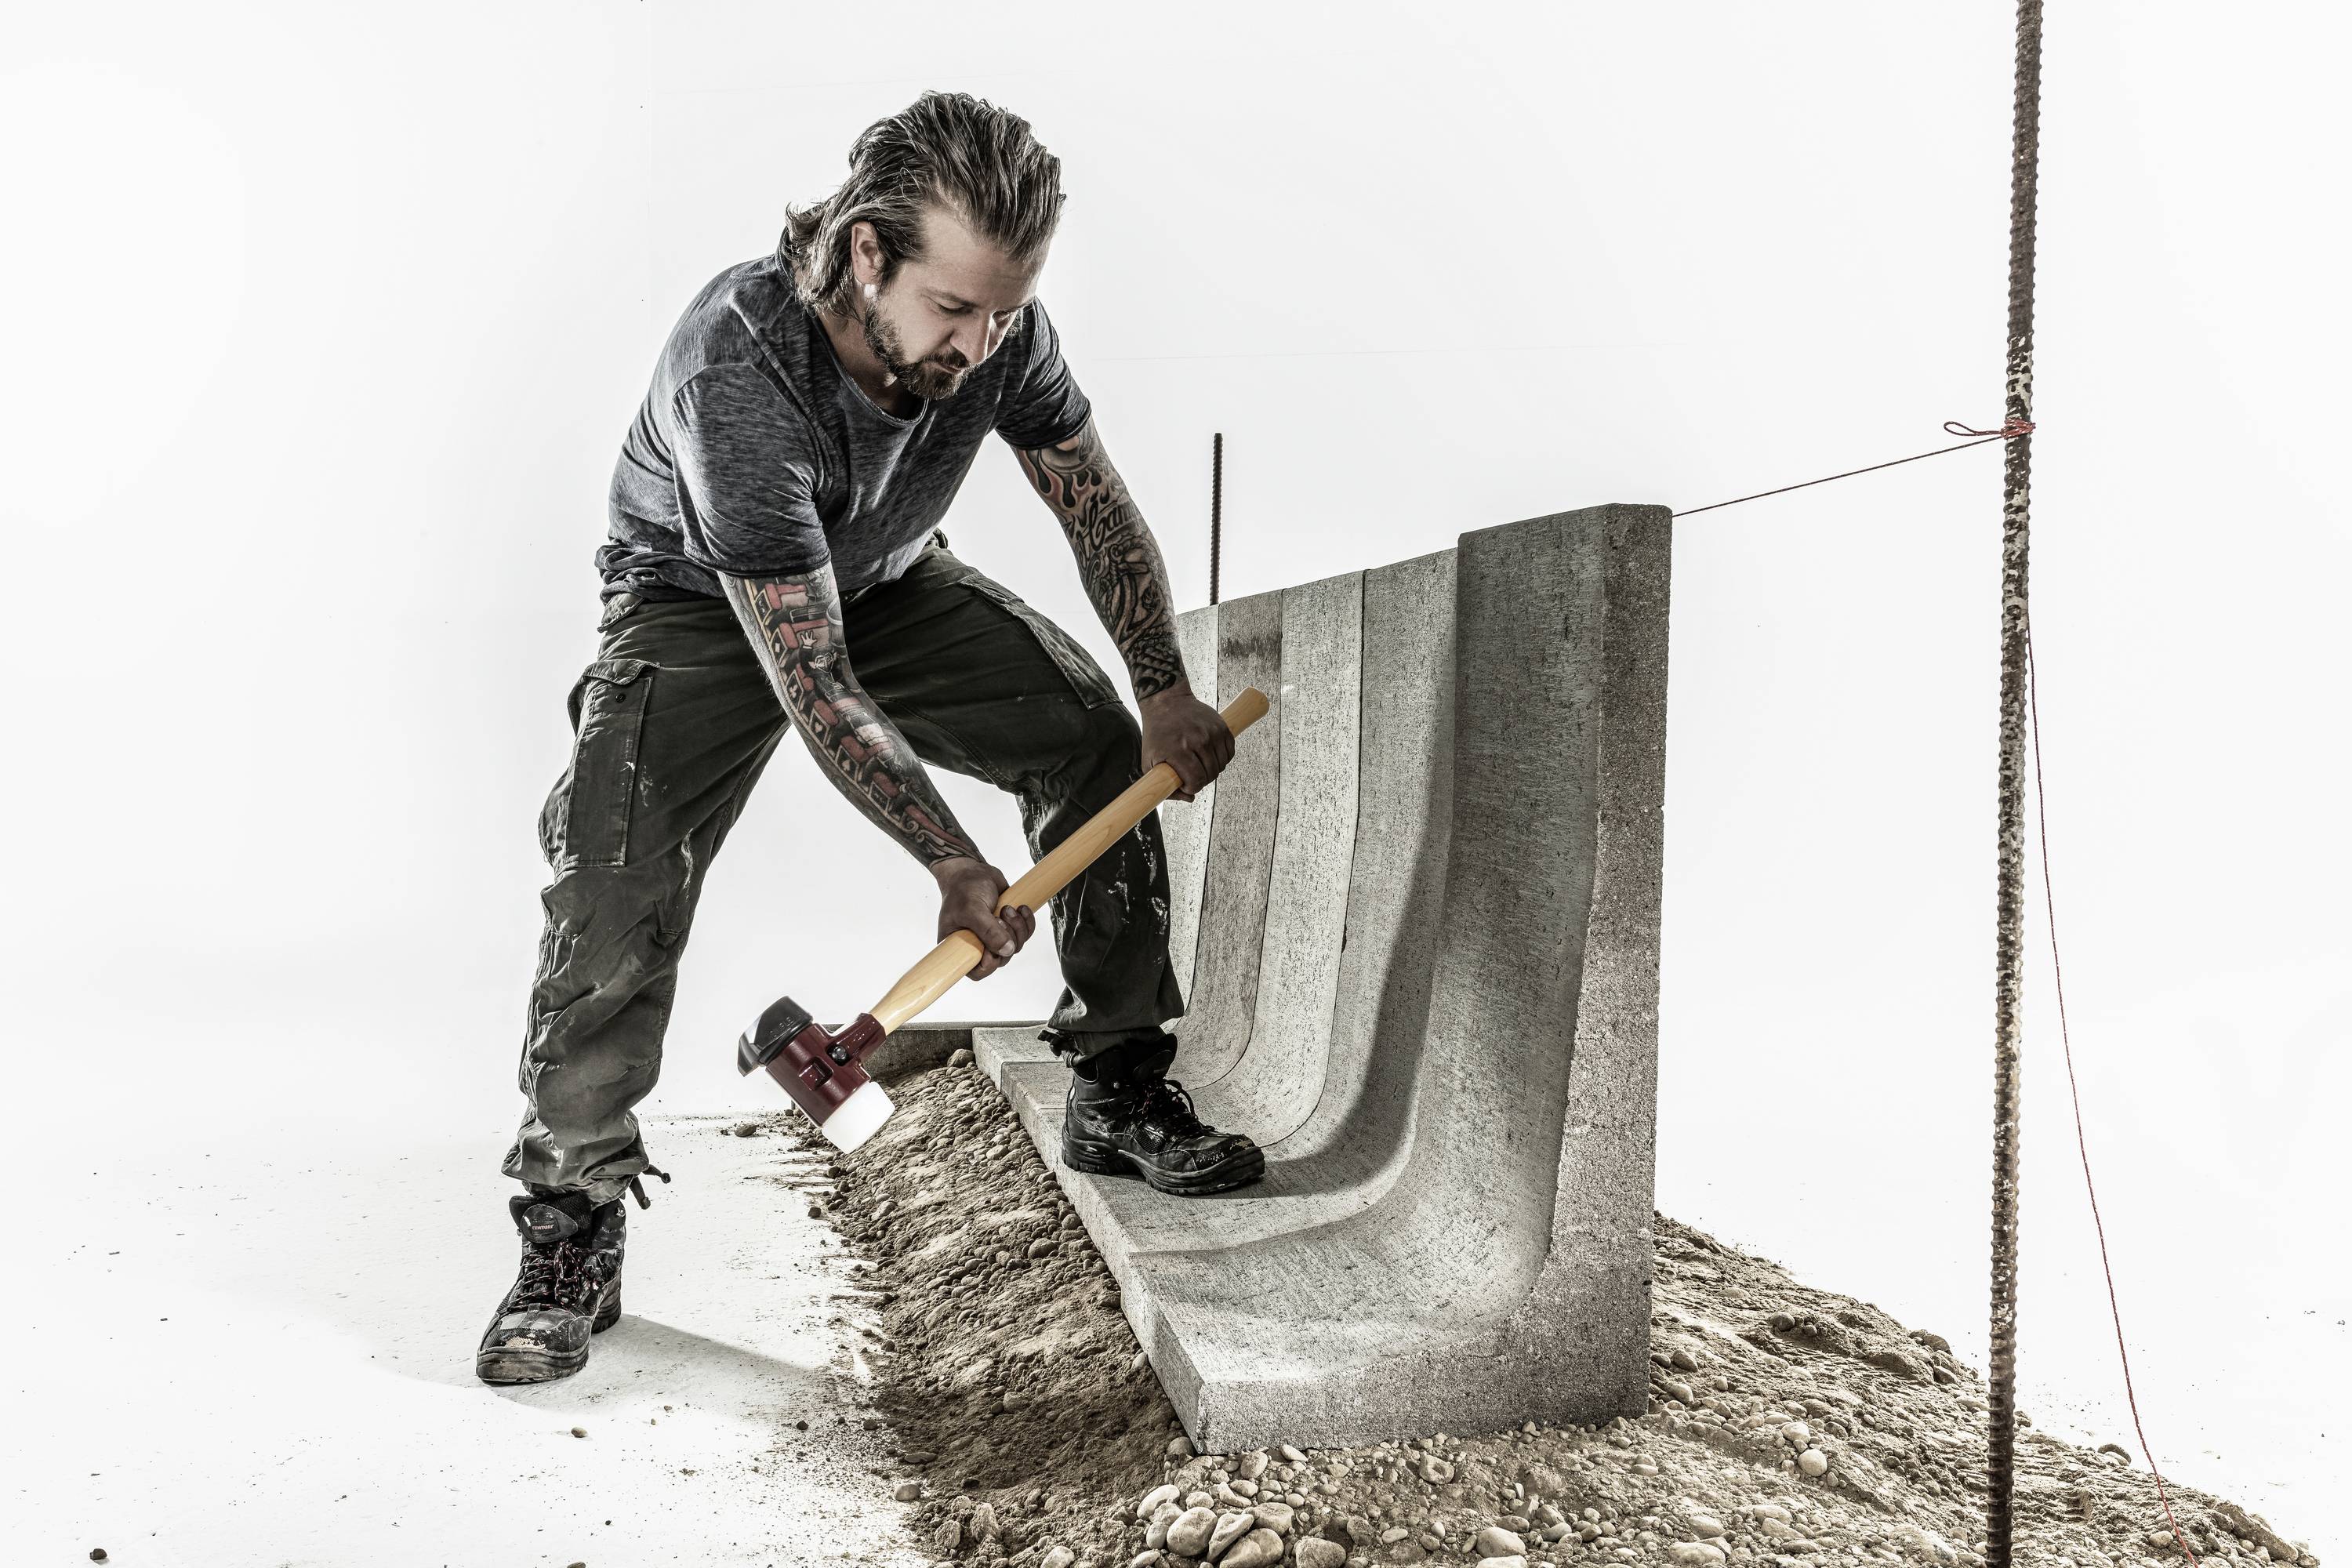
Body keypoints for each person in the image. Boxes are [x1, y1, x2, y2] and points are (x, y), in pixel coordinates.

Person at [477, 92, 1263, 1386]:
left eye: (1004, 311)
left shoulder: (1000, 331)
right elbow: (815, 680)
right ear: (865, 254)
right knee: (615, 876)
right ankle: (571, 1217)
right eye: (954, 309)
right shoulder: (739, 373)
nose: (981, 341)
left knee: (1090, 736)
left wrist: (1164, 687)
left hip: (884, 579)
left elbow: (1093, 504)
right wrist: (952, 861)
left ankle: (1119, 1083)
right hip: (694, 603)